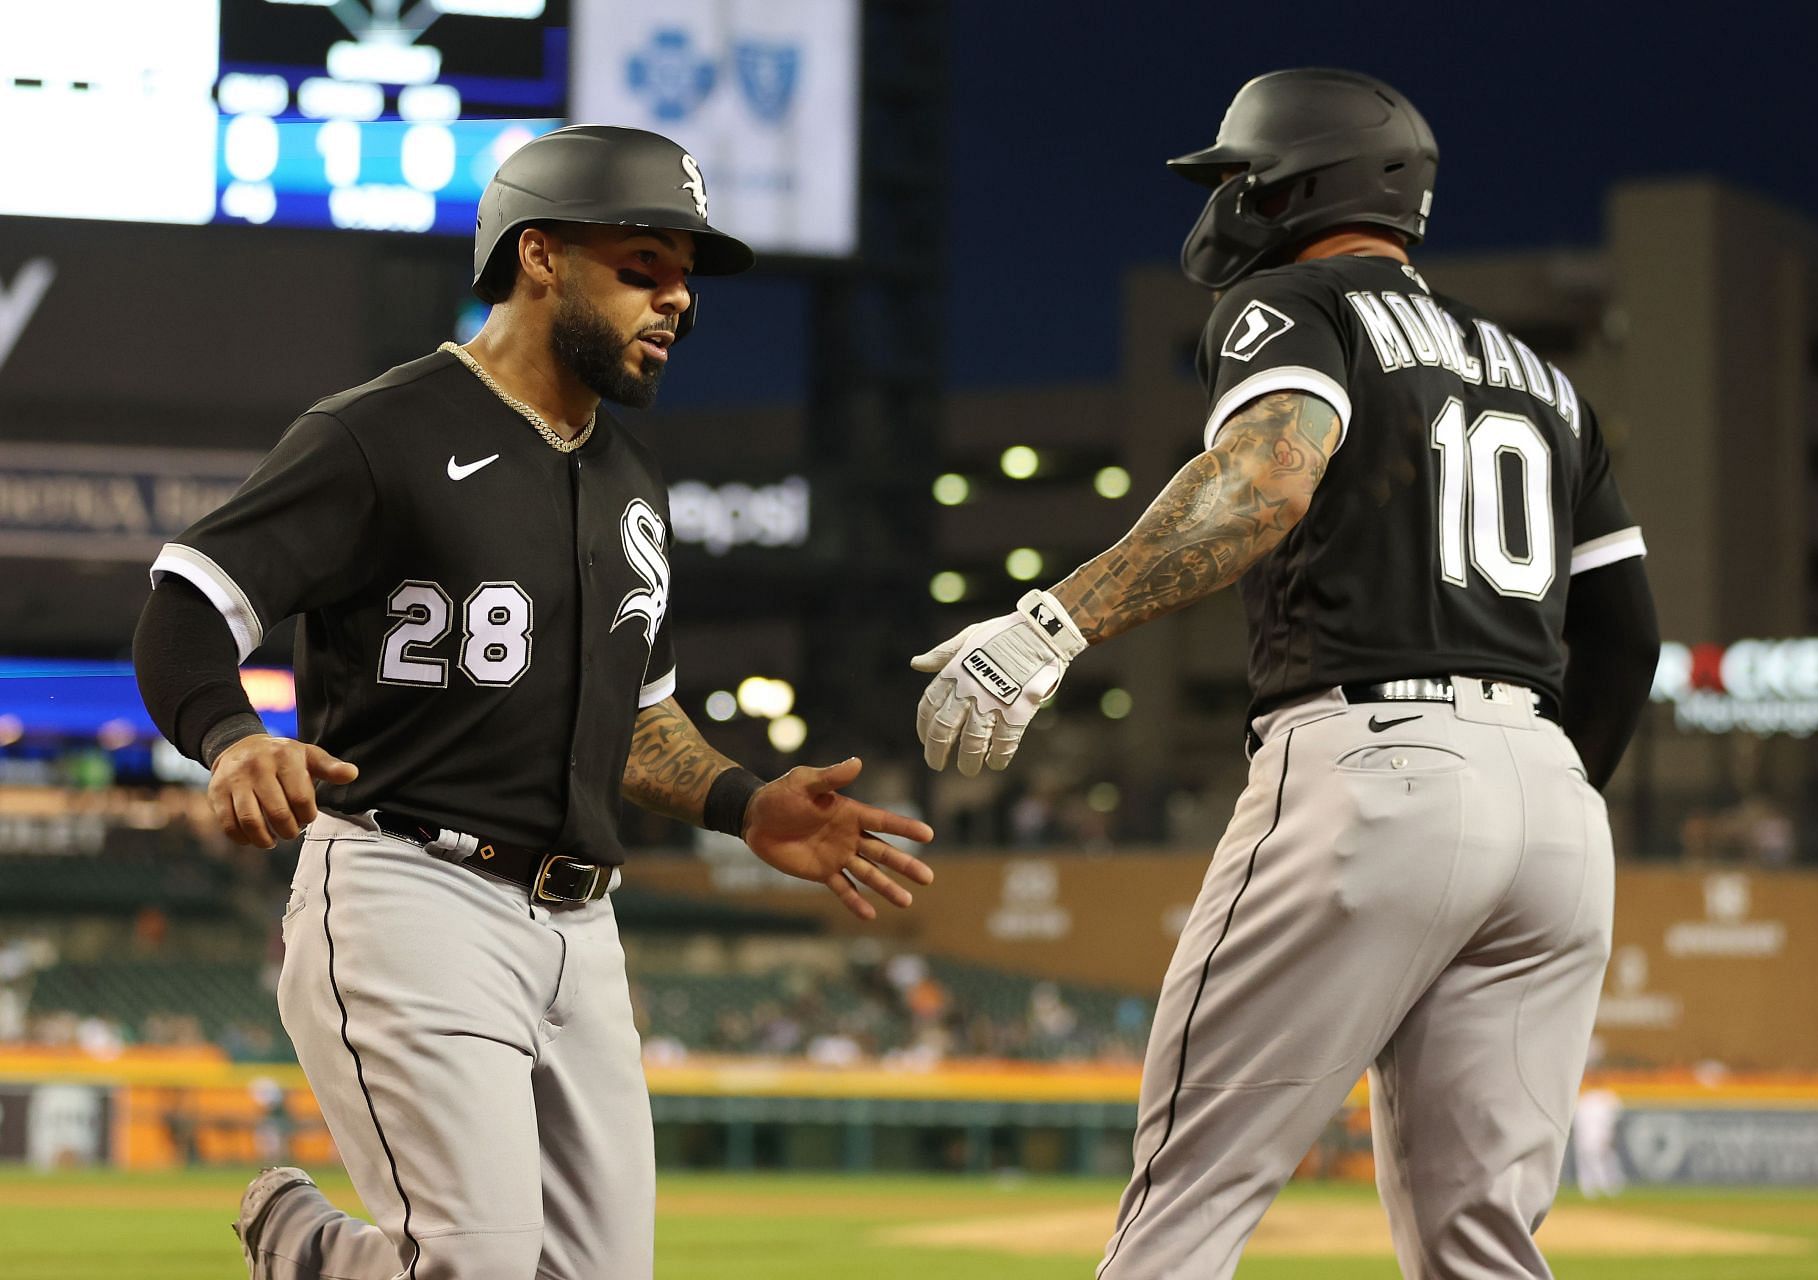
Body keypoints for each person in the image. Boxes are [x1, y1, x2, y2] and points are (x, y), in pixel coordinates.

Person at [132, 125, 934, 1280]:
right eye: (644, 267)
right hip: (412, 890)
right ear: (541, 254)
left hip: (581, 927)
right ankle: (311, 1244)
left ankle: (322, 1260)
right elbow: (188, 602)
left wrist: (746, 804)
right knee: (482, 1267)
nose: (676, 303)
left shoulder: (630, 478)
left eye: (685, 280)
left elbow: (640, 724)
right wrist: (232, 734)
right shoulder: (380, 431)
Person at [911, 69, 1660, 1278]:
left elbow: (1267, 477)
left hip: (1373, 770)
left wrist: (1055, 621)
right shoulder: (1544, 375)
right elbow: (1628, 635)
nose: (1226, 201)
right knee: (1484, 1242)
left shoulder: (1296, 305)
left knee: (1188, 1199)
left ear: (1298, 184)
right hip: (1557, 817)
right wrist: (1550, 783)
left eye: (1239, 175)